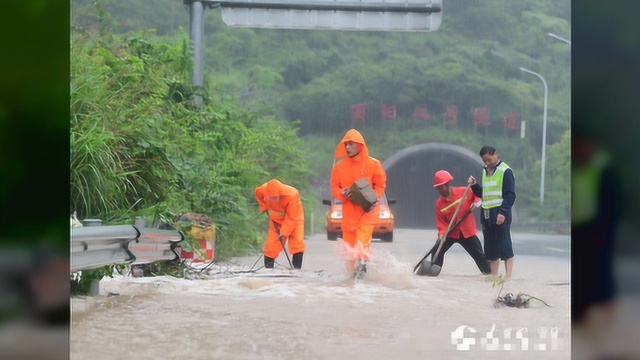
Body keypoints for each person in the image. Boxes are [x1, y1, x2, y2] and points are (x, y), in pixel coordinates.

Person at [572, 130, 621, 327]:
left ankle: (610, 320)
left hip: (599, 231)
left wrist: (604, 232)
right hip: (579, 230)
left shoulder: (603, 168)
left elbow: (613, 204)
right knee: (581, 274)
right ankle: (582, 320)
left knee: (602, 274)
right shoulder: (577, 165)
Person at [330, 129, 387, 277]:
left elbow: (380, 185)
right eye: (346, 144)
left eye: (350, 144)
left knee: (362, 244)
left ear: (360, 145)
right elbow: (335, 188)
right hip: (349, 213)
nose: (347, 147)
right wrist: (342, 193)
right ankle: (350, 280)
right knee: (349, 251)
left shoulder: (373, 164)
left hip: (367, 212)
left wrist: (375, 198)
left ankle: (361, 276)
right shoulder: (339, 167)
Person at [429, 170, 491, 275]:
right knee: (436, 250)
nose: (441, 190)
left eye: (442, 186)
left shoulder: (464, 191)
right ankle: (432, 274)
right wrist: (441, 234)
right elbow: (441, 223)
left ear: (448, 184)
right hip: (450, 233)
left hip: (467, 232)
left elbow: (479, 195)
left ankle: (490, 275)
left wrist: (477, 203)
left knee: (480, 255)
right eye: (438, 188)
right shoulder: (439, 204)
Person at [469, 145, 516, 281]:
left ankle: (508, 277)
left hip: (500, 212)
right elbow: (483, 194)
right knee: (490, 247)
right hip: (486, 213)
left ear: (496, 154)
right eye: (485, 161)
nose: (487, 163)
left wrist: (503, 213)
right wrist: (474, 185)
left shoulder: (505, 171)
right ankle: (494, 276)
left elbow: (510, 195)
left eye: (489, 159)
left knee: (505, 245)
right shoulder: (485, 171)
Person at [254, 179, 305, 269]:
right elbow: (257, 194)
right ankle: (268, 271)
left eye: (275, 198)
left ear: (280, 194)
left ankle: (297, 271)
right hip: (276, 221)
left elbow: (291, 217)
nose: (273, 200)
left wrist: (284, 232)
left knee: (297, 244)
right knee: (271, 247)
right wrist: (264, 207)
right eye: (271, 198)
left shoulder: (292, 195)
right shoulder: (262, 190)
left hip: (295, 220)